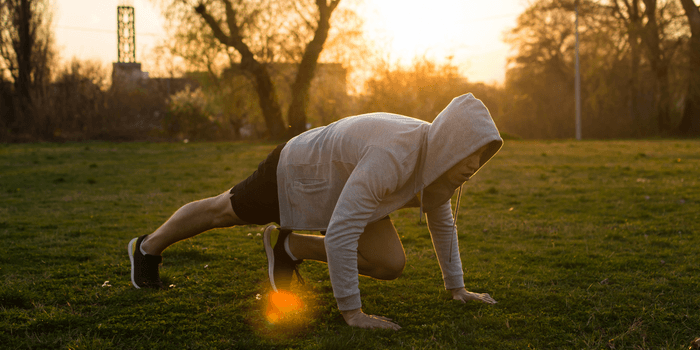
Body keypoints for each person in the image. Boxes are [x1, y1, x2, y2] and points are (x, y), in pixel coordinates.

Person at [127, 93, 503, 330]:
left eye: (481, 153)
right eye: (468, 151)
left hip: (347, 179)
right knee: (223, 211)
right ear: (449, 143)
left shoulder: (440, 164)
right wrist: (352, 314)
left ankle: (289, 248)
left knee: (389, 263)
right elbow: (341, 234)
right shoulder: (393, 156)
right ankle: (147, 247)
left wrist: (457, 288)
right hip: (298, 167)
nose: (474, 163)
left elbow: (442, 220)